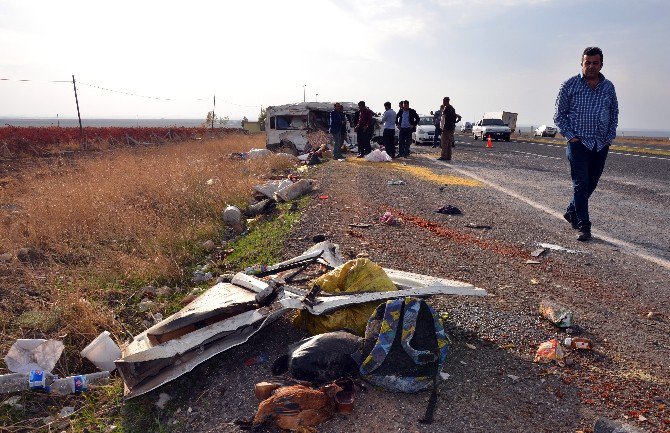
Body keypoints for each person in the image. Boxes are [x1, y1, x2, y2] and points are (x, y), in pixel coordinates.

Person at [554, 46, 618, 241]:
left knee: (591, 183)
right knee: (581, 184)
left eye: (595, 63)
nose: (591, 66)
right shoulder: (569, 85)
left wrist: (609, 136)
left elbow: (614, 113)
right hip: (578, 143)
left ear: (601, 64)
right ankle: (584, 226)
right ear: (581, 63)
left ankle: (571, 211)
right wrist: (571, 136)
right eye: (587, 62)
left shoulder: (609, 87)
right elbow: (559, 115)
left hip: (600, 144)